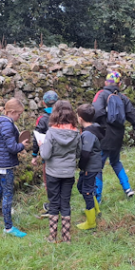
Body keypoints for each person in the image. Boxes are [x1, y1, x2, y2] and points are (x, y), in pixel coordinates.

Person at [92, 70, 135, 202]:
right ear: (119, 84)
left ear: (105, 83)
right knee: (115, 162)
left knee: (98, 166)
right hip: (117, 137)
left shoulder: (101, 95)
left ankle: (96, 199)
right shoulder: (123, 98)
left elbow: (95, 112)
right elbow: (134, 116)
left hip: (103, 136)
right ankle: (128, 189)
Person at [0, 98, 31, 237]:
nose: (19, 117)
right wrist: (22, 145)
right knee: (7, 195)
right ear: (12, 112)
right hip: (5, 165)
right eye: (18, 114)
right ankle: (8, 228)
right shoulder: (7, 125)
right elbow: (12, 148)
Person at [40, 100, 81, 243]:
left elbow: (45, 155)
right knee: (65, 203)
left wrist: (41, 147)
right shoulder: (76, 132)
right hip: (68, 173)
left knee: (53, 203)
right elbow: (78, 153)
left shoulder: (51, 133)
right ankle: (66, 237)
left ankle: (52, 236)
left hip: (52, 173)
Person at [74, 103, 103, 231]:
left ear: (80, 118)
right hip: (92, 166)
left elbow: (85, 153)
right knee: (81, 187)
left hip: (90, 167)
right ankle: (96, 209)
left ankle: (91, 222)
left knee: (86, 191)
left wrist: (81, 165)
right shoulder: (94, 128)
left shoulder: (88, 134)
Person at [31, 90, 59, 216]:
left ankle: (52, 207)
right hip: (62, 155)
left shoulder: (42, 119)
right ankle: (60, 203)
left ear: (43, 103)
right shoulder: (63, 116)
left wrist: (34, 155)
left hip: (47, 156)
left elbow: (37, 138)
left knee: (49, 181)